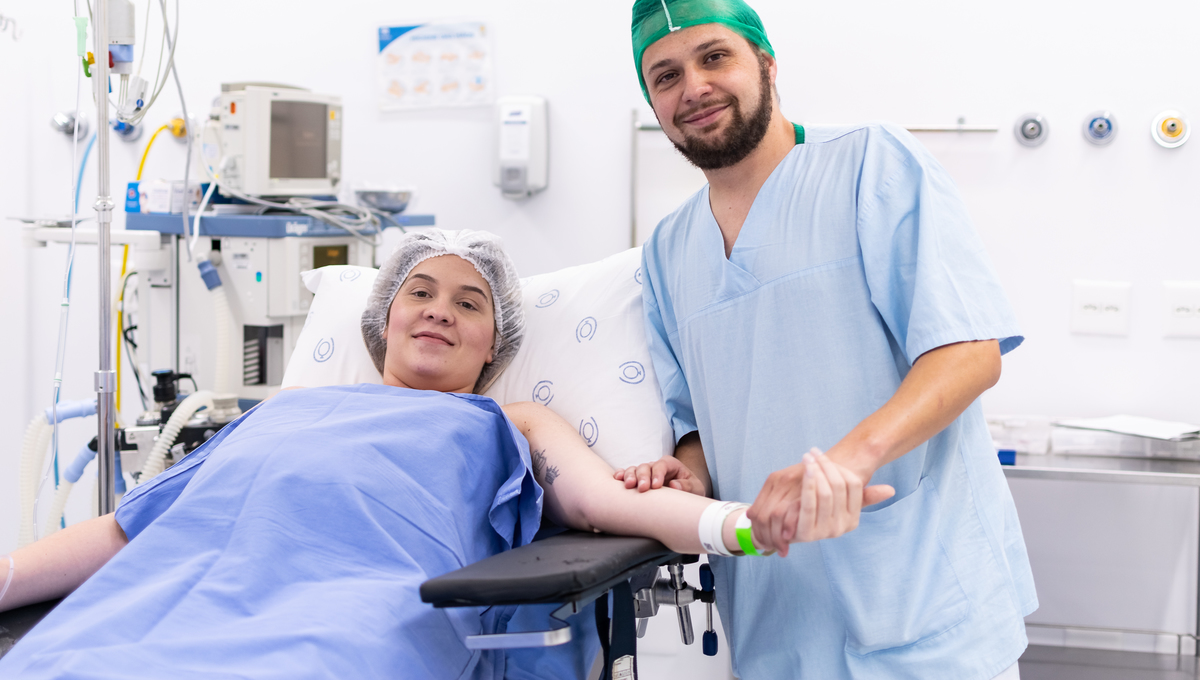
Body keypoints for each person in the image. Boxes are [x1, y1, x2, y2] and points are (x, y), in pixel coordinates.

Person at [0, 229, 778, 680]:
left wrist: (739, 525)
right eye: (421, 293)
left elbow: (603, 503)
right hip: (172, 597)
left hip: (357, 610)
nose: (440, 310)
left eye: (468, 303)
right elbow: (132, 531)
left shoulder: (509, 418)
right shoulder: (291, 408)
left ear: (495, 340)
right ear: (383, 320)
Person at [616, 0, 1037, 680]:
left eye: (714, 57)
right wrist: (682, 479)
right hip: (776, 619)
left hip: (921, 609)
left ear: (767, 64)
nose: (692, 86)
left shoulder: (873, 163)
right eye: (665, 75)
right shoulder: (666, 250)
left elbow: (969, 352)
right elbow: (695, 424)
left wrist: (846, 461)